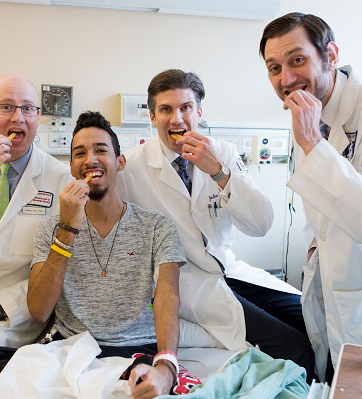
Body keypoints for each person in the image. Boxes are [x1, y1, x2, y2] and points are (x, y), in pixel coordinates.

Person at [0, 111, 189, 399]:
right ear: (71, 167)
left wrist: (167, 365)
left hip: (133, 351)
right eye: (80, 153)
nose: (90, 159)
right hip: (69, 347)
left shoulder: (156, 226)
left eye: (101, 150)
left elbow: (168, 297)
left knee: (143, 386)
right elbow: (39, 310)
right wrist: (68, 229)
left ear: (120, 163)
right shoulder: (52, 229)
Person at [117, 68, 315, 379]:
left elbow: (261, 223)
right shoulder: (130, 168)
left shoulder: (222, 153)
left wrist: (219, 173)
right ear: (152, 117)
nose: (176, 119)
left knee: (315, 320)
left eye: (185, 108)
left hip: (231, 270)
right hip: (189, 285)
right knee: (296, 346)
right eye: (166, 110)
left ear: (199, 112)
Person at [260, 12, 362, 381]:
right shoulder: (310, 117)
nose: (286, 79)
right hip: (333, 293)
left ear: (331, 56)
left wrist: (312, 145)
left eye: (297, 60)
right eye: (274, 68)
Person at [0, 74, 73, 349]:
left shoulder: (60, 180)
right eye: (6, 107)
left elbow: (56, 272)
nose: (18, 118)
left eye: (28, 108)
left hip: (8, 315)